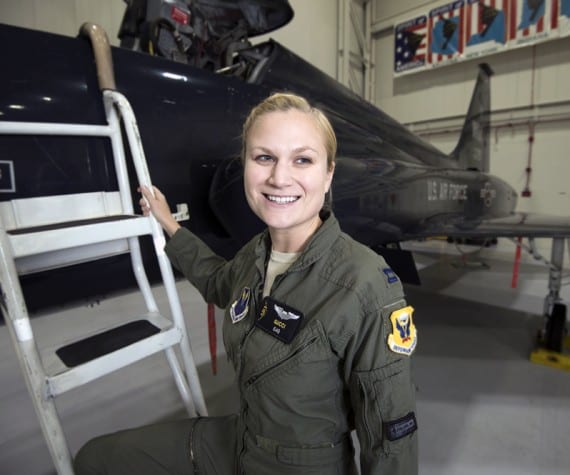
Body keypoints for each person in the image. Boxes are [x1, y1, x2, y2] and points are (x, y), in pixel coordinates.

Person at [74, 92, 418, 474]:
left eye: (302, 159)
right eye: (264, 157)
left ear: (328, 174)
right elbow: (217, 281)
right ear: (246, 165)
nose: (279, 177)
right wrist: (169, 223)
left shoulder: (365, 284)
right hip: (241, 440)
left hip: (303, 464)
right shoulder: (257, 254)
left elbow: (391, 437)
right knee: (96, 457)